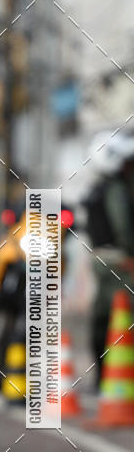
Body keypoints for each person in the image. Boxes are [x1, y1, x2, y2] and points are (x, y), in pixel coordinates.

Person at [84, 130, 134, 383]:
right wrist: (130, 255)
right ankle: (116, 377)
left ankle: (102, 375)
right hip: (120, 262)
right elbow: (122, 226)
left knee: (102, 316)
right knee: (123, 316)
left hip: (101, 259)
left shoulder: (97, 188)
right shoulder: (116, 189)